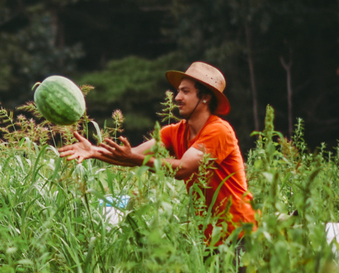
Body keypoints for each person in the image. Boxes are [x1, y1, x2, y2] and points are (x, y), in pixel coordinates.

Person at [59, 61, 256, 243]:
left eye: (185, 92)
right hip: (210, 237)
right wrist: (93, 151)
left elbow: (183, 169)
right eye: (178, 91)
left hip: (239, 233)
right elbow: (132, 156)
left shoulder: (218, 130)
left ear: (205, 97)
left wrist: (133, 157)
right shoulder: (174, 132)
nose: (177, 98)